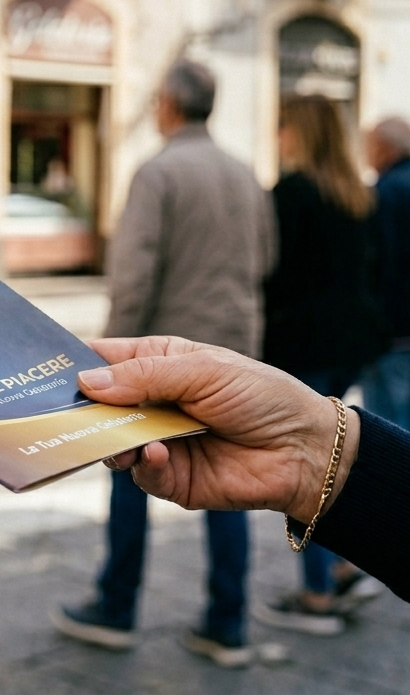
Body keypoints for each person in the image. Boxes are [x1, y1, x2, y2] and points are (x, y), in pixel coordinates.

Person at [52, 59, 275, 668]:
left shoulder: (158, 171)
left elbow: (134, 274)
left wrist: (108, 362)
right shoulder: (244, 172)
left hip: (162, 357)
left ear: (171, 105)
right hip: (233, 352)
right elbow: (267, 258)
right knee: (230, 485)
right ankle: (227, 622)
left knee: (131, 472)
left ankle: (116, 606)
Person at [79, 336, 409, 604]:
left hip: (185, 375)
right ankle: (229, 616)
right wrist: (313, 452)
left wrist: (312, 451)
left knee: (141, 480)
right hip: (240, 348)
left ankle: (118, 603)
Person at [257, 95, 389, 634]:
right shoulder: (358, 195)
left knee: (307, 467)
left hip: (303, 345)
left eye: (283, 125)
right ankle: (339, 568)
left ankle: (316, 594)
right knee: (338, 454)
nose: (278, 135)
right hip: (352, 343)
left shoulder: (293, 192)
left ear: (300, 131)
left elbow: (277, 275)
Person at [360, 117, 410, 430]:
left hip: (391, 331)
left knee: (389, 426)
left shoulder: (385, 192)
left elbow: (378, 264)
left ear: (382, 149)